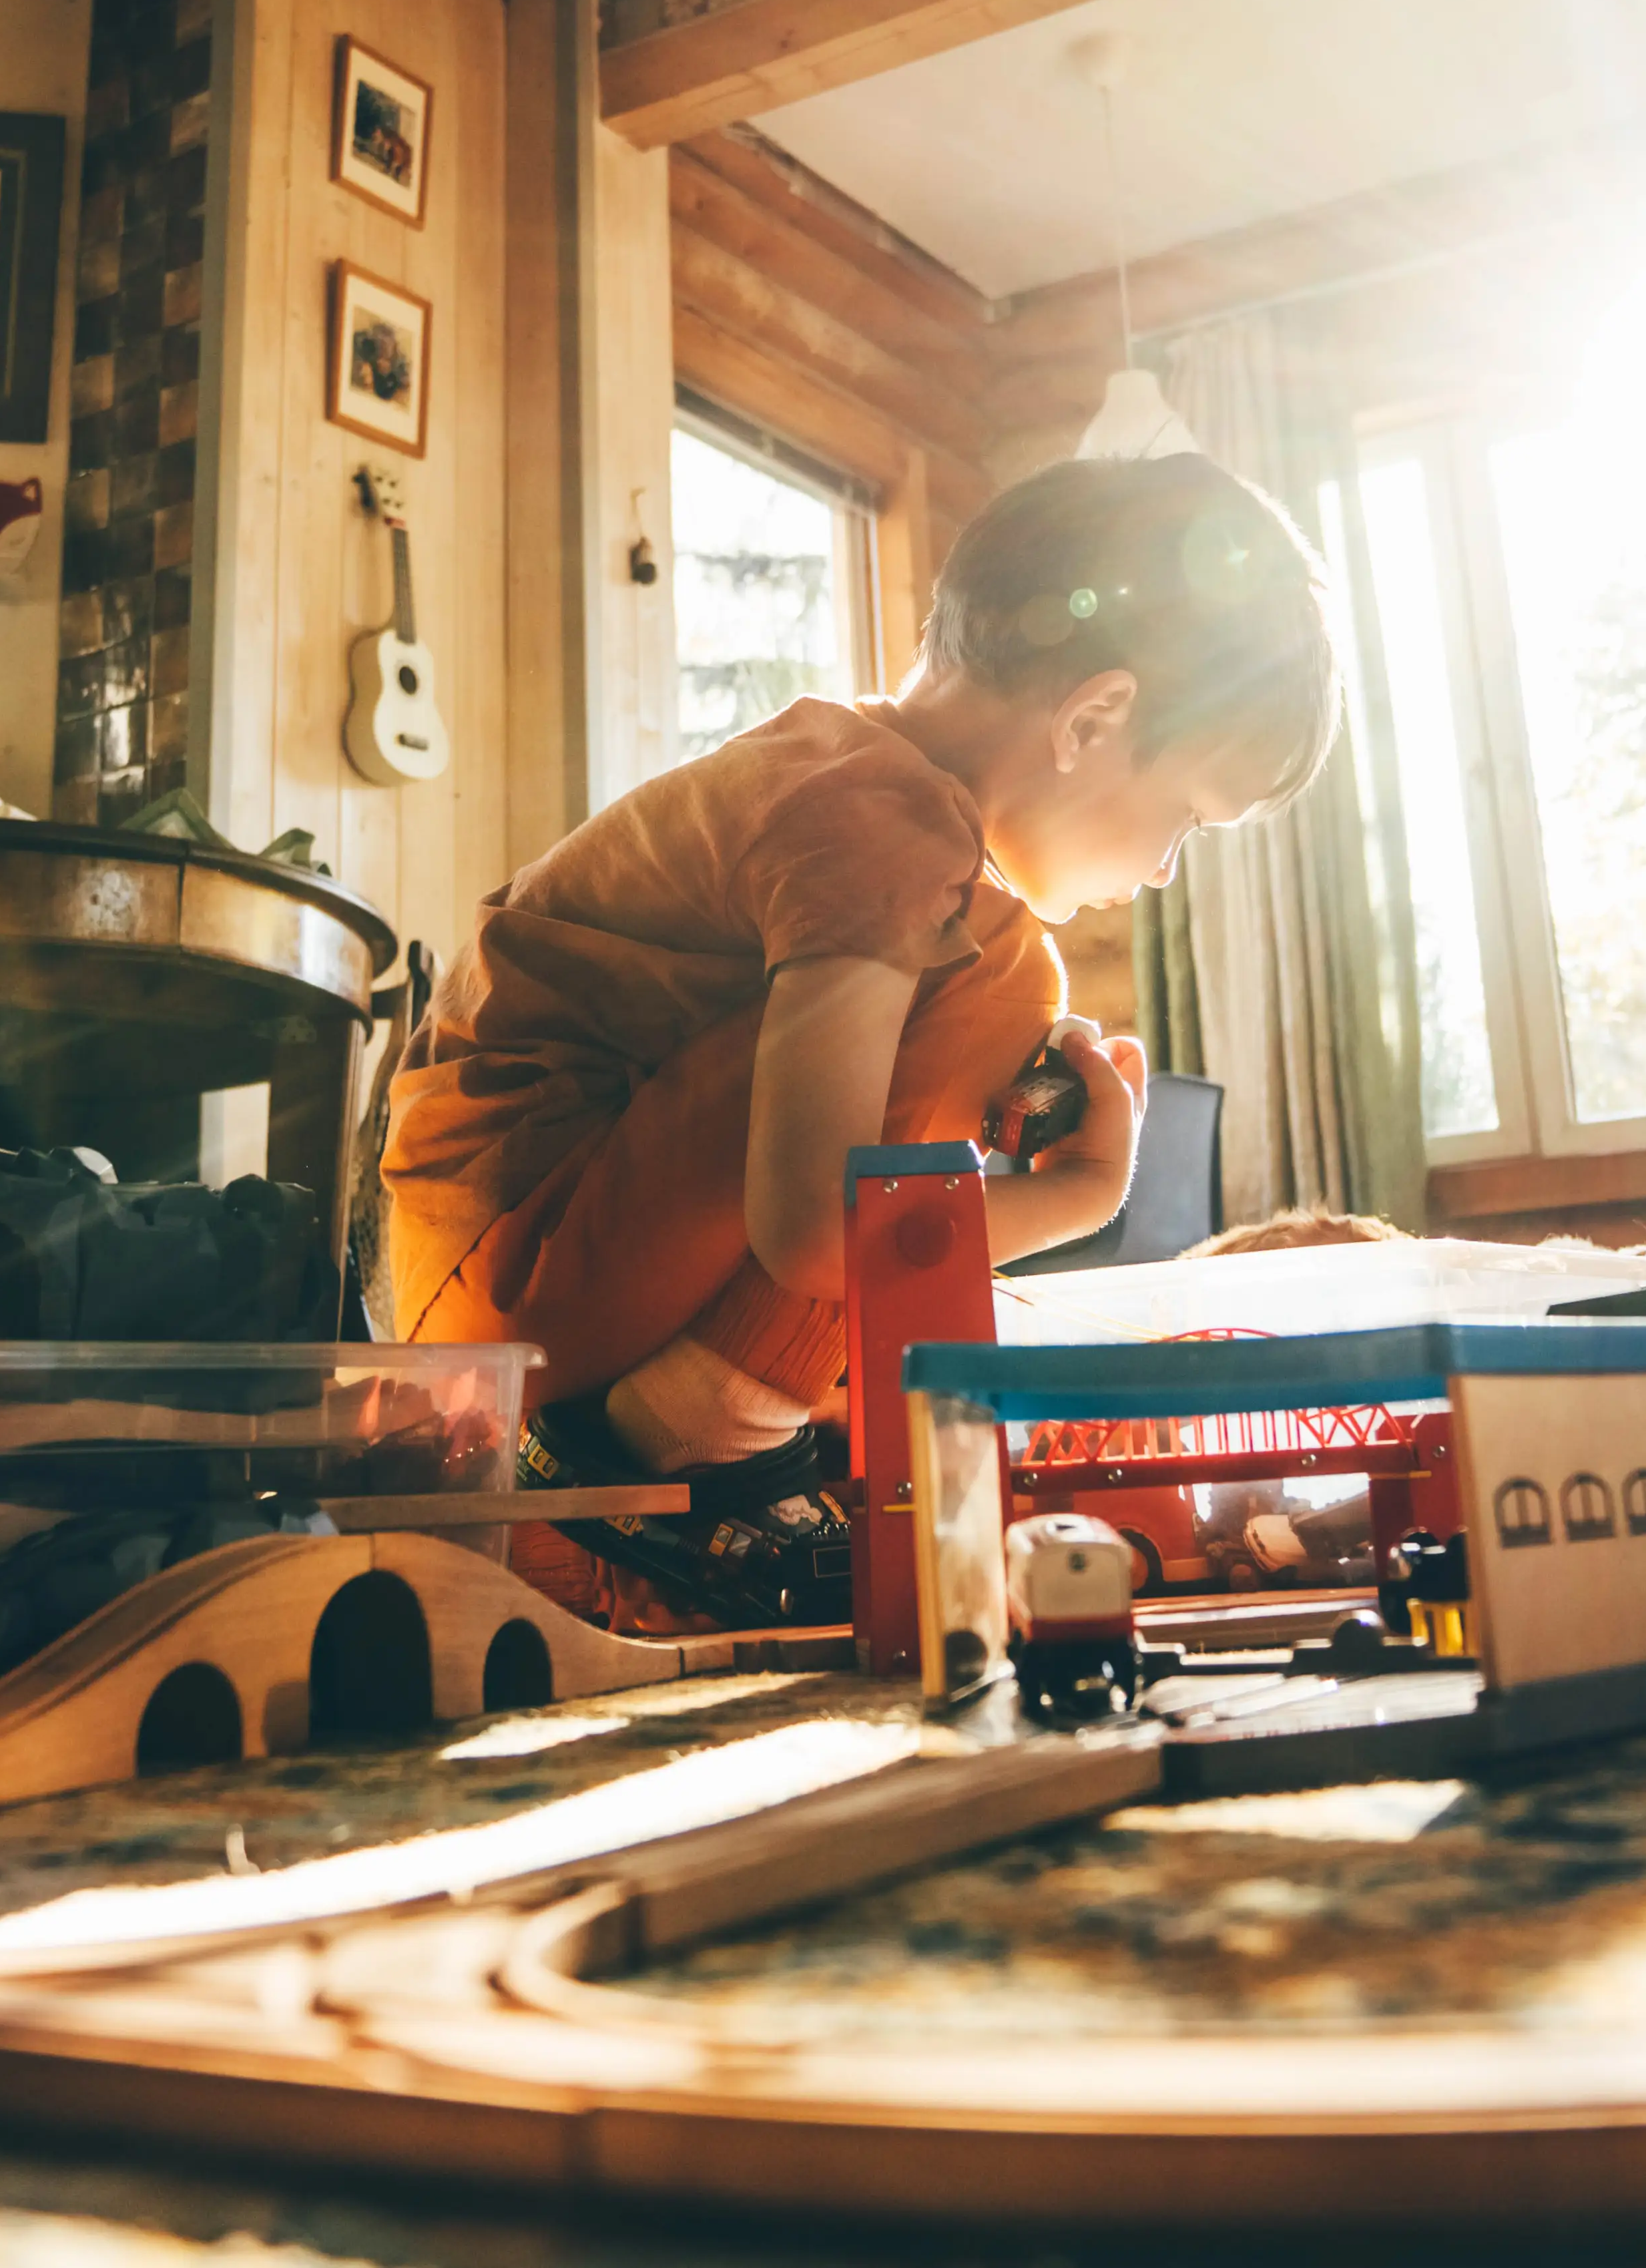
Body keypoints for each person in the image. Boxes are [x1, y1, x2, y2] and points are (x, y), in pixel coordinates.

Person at [380, 452, 1342, 1628]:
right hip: (506, 1308)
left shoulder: (853, 783)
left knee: (987, 973)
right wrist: (1084, 1194)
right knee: (1000, 966)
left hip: (507, 1276)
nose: (1161, 866)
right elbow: (815, 1233)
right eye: (1187, 815)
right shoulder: (892, 836)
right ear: (1094, 717)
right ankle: (687, 1452)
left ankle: (713, 1432)